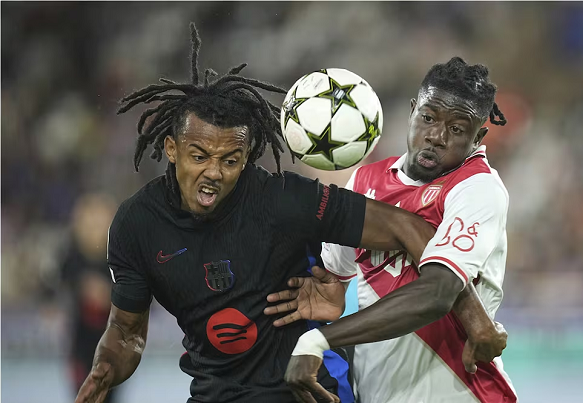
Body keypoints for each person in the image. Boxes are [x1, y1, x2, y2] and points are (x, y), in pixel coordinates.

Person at [74, 23, 449, 403]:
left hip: (311, 390)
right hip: (214, 395)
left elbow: (407, 229)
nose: (214, 172)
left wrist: (466, 310)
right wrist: (105, 369)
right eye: (199, 157)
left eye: (230, 160)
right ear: (172, 149)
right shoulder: (137, 224)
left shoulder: (283, 199)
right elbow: (126, 332)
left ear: (247, 157)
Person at [270, 57, 518, 403]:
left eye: (457, 129)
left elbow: (438, 291)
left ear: (478, 137)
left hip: (463, 392)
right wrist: (328, 292)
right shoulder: (365, 180)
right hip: (379, 393)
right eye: (428, 118)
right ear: (412, 111)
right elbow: (336, 279)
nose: (436, 136)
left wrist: (320, 340)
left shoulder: (477, 187)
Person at [59, 194, 120, 403]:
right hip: (81, 345)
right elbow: (57, 287)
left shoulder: (120, 258)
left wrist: (109, 294)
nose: (95, 228)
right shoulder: (72, 257)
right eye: (90, 222)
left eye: (100, 222)